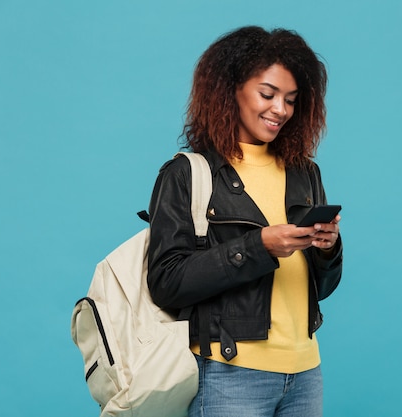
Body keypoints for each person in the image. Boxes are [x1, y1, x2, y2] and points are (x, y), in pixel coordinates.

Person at [147, 25, 343, 417]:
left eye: (290, 99)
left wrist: (327, 249)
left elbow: (321, 289)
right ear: (229, 89)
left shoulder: (304, 172)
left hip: (305, 372)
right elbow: (166, 282)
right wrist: (259, 247)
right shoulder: (189, 174)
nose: (280, 110)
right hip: (229, 374)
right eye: (267, 94)